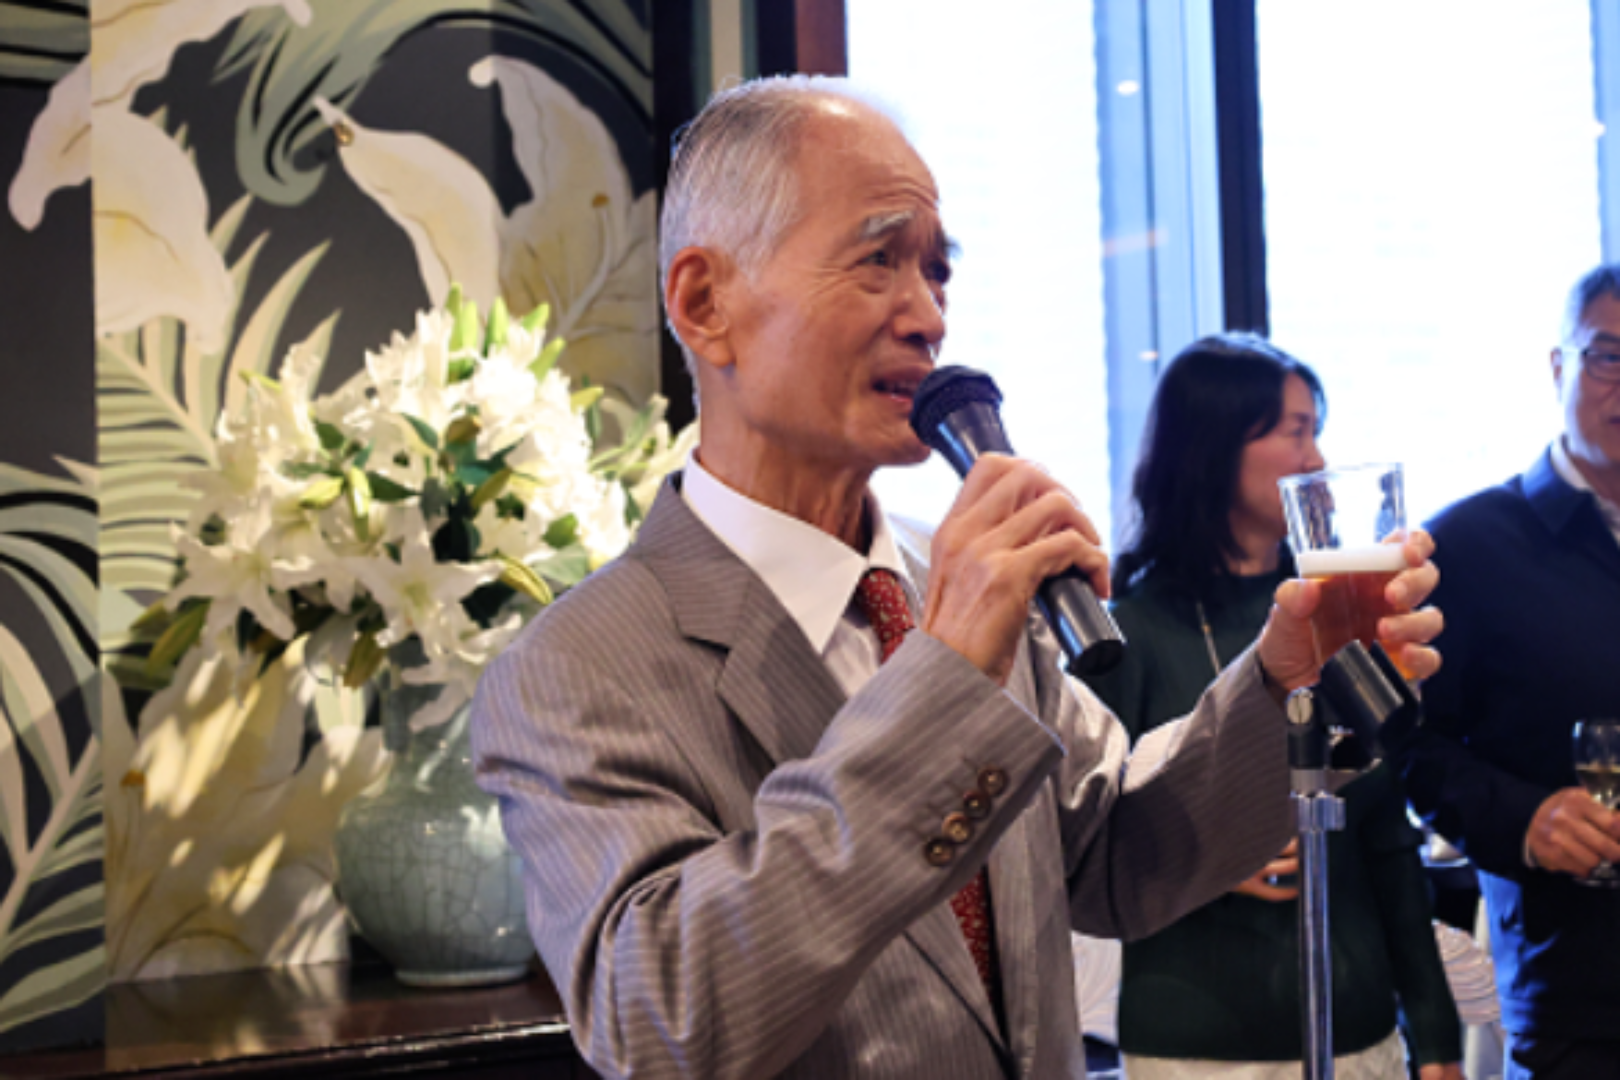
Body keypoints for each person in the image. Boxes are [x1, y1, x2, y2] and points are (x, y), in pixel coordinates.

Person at [469, 75, 1443, 1080]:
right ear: (705, 304)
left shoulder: (957, 584)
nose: (927, 316)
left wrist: (1285, 685)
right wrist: (942, 678)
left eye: (938, 273)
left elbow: (1120, 852)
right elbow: (659, 1016)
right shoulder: (575, 669)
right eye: (878, 260)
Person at [1082, 335, 1463, 1080]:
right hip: (1191, 1040)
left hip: (1357, 1026)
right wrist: (1207, 852)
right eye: (1296, 431)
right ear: (1215, 443)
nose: (1316, 458)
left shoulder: (1341, 614)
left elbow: (1387, 837)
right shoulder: (1126, 637)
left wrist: (1438, 1038)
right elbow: (1087, 845)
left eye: (1316, 431)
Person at [1390, 264, 1620, 1080]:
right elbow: (1408, 743)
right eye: (1608, 357)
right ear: (1559, 366)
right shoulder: (1469, 546)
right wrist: (1525, 818)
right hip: (1580, 1001)